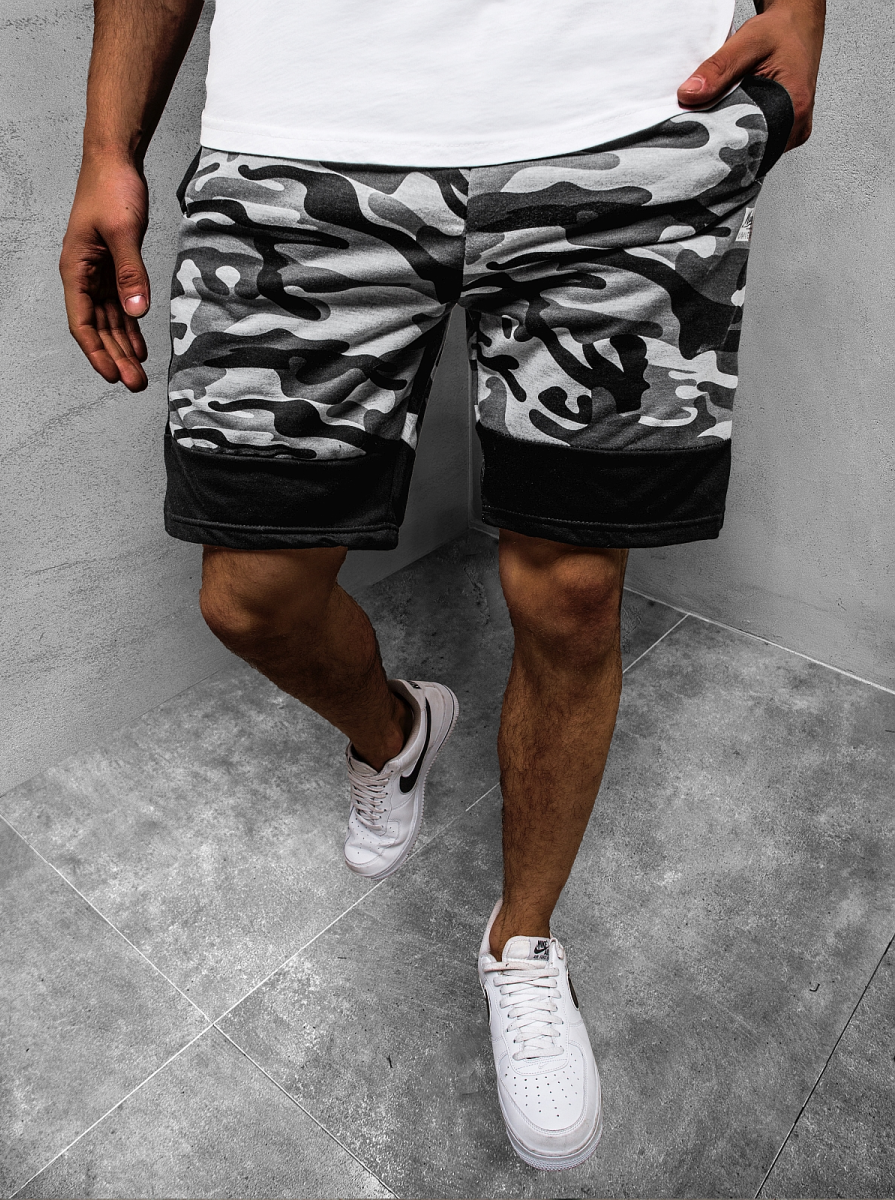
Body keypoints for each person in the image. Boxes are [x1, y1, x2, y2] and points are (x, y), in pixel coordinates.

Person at [61, 0, 824, 1171]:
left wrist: (804, 12)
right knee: (251, 594)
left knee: (572, 590)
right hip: (301, 140)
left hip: (627, 121)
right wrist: (109, 146)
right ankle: (398, 731)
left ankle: (524, 943)